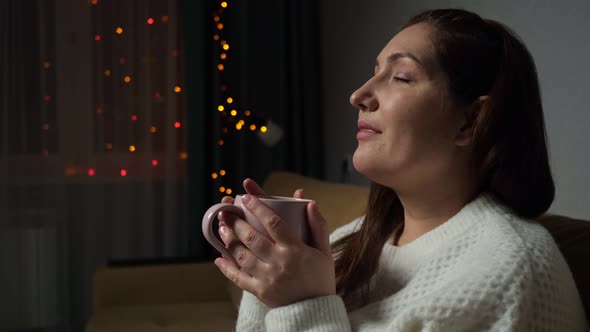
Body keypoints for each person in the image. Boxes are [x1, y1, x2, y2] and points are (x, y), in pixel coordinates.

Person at [213, 8, 588, 331]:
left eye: (402, 77)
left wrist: (300, 304)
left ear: (469, 122)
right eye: (375, 72)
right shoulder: (355, 240)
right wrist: (268, 281)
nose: (358, 95)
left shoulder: (506, 274)